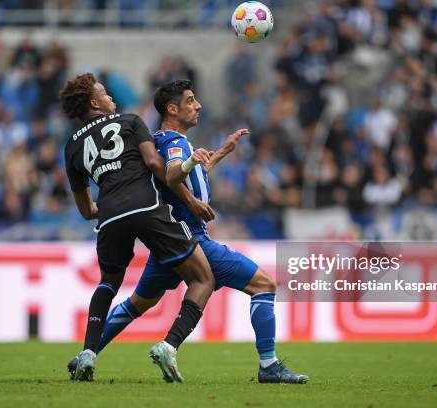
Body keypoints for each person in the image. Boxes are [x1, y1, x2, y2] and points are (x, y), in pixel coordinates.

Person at [91, 79, 309, 384]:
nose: (198, 105)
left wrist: (220, 153)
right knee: (264, 285)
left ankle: (88, 353)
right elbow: (173, 174)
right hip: (192, 238)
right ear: (172, 108)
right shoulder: (177, 143)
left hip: (166, 244)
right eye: (191, 100)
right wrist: (192, 159)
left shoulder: (159, 141)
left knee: (137, 304)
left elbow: (182, 179)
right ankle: (267, 364)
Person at [60, 73, 216, 382]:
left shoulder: (72, 145)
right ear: (95, 102)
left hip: (109, 216)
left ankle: (88, 353)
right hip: (147, 208)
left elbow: (85, 208)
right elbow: (156, 165)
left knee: (108, 283)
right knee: (203, 278)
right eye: (105, 94)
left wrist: (108, 207)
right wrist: (188, 197)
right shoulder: (130, 121)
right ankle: (169, 346)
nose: (111, 99)